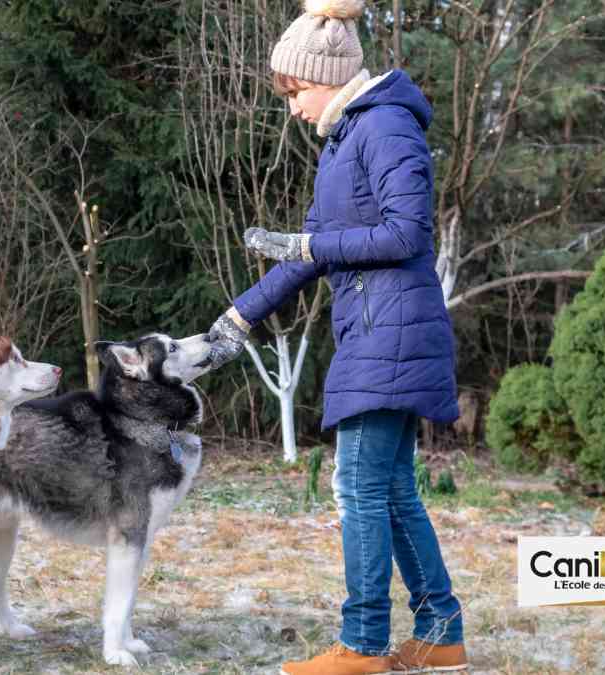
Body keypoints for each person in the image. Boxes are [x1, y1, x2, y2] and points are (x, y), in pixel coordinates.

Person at [204, 1, 467, 674]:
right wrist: (241, 315)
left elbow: (408, 233)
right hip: (377, 332)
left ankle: (363, 644)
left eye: (295, 91)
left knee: (357, 488)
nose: (291, 106)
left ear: (327, 74)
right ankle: (440, 631)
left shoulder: (384, 127)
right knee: (392, 489)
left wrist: (312, 239)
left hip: (392, 332)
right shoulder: (344, 140)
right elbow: (313, 251)